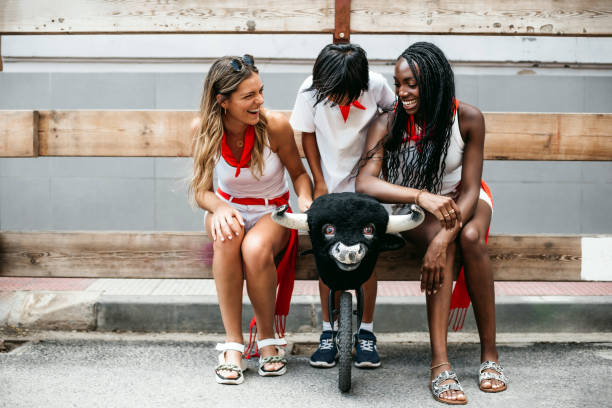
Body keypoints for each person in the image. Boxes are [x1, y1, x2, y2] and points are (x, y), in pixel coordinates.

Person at [356, 42, 508, 404]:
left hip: (465, 199)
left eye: (412, 84)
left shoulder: (468, 118)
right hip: (419, 208)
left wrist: (443, 239)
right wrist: (420, 197)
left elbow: (471, 189)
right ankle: (440, 363)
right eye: (398, 84)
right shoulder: (390, 121)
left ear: (435, 81)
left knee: (470, 238)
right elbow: (366, 182)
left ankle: (490, 355)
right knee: (456, 239)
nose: (403, 93)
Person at [189, 55, 313, 385]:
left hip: (272, 211)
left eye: (260, 91)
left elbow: (299, 174)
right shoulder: (203, 129)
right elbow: (201, 190)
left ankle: (269, 340)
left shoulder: (275, 126)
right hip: (227, 208)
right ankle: (233, 345)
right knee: (227, 237)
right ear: (223, 101)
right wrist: (219, 207)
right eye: (248, 96)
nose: (259, 101)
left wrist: (307, 201)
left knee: (255, 249)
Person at [290, 43, 396, 369]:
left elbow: (395, 112)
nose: (338, 100)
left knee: (366, 255)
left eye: (346, 94)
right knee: (327, 255)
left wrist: (378, 153)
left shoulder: (376, 85)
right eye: (332, 94)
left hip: (367, 180)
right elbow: (307, 135)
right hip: (330, 180)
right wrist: (318, 179)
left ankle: (366, 331)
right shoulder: (309, 90)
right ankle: (328, 331)